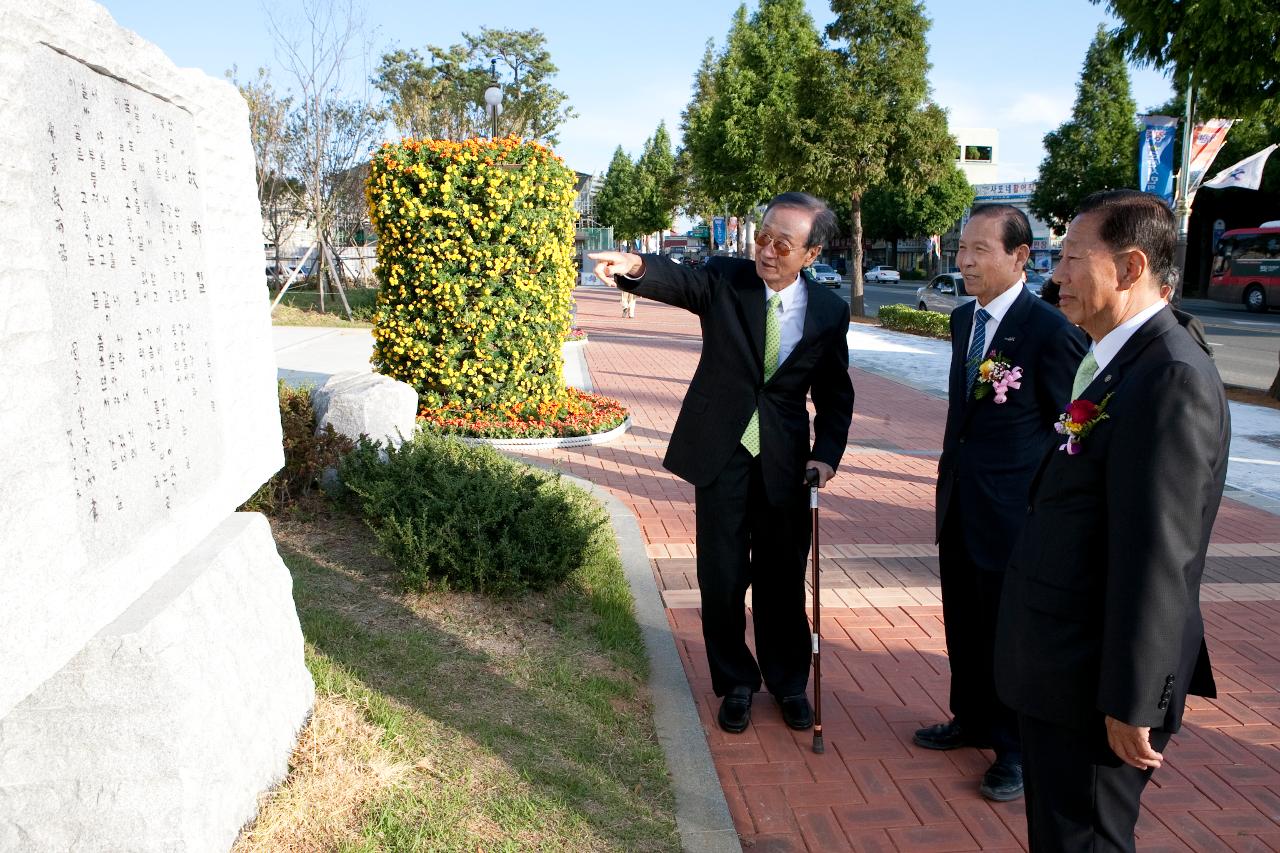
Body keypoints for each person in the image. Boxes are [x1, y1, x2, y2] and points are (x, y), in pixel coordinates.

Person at [995, 189, 1228, 851]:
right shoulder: (1118, 357)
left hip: (1096, 685)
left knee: (1085, 839)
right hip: (1063, 666)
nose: (1055, 275)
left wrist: (1134, 699)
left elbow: (1161, 551)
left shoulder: (1169, 376)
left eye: (1070, 259)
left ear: (1128, 268)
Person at [588, 192, 854, 734]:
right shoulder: (727, 279)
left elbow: (835, 391)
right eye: (763, 236)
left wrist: (827, 455)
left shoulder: (829, 311)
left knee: (781, 581)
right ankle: (735, 681)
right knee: (722, 577)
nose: (768, 250)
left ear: (812, 252)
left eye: (785, 243)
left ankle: (787, 683)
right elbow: (680, 279)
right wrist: (635, 266)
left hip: (785, 461)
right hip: (722, 454)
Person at [914, 205, 1086, 802]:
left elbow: (1072, 429)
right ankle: (971, 719)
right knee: (963, 619)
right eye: (963, 248)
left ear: (1020, 256)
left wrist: (1046, 506)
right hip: (959, 500)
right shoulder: (966, 319)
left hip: (1014, 514)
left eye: (980, 250)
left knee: (1010, 632)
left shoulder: (1050, 330)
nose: (964, 261)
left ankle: (1013, 748)